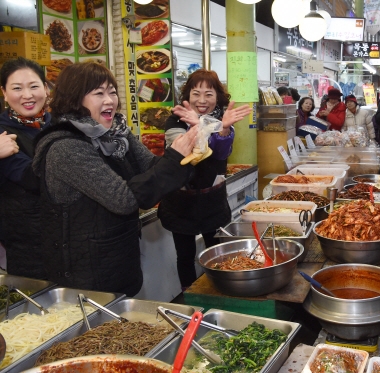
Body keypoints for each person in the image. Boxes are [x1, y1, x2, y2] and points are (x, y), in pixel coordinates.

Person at [32, 62, 200, 296]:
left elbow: (152, 165)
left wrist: (194, 143)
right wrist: (174, 158)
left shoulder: (117, 134)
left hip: (120, 260)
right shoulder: (66, 147)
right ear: (74, 98)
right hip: (86, 275)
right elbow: (124, 199)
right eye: (99, 93)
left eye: (112, 91)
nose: (110, 100)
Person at [158, 69, 251, 289]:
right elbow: (187, 154)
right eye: (196, 93)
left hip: (212, 200)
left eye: (209, 94)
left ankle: (221, 291)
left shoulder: (223, 119)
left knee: (218, 253)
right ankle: (190, 297)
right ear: (187, 94)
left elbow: (220, 153)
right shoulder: (175, 119)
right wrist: (196, 125)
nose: (202, 100)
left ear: (217, 96)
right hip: (179, 201)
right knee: (185, 256)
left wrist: (224, 128)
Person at [0, 57, 51, 280]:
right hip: (26, 244)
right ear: (4, 92)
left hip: (69, 238)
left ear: (46, 88)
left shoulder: (59, 124)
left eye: (33, 86)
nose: (27, 95)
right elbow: (33, 178)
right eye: (17, 88)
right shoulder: (3, 134)